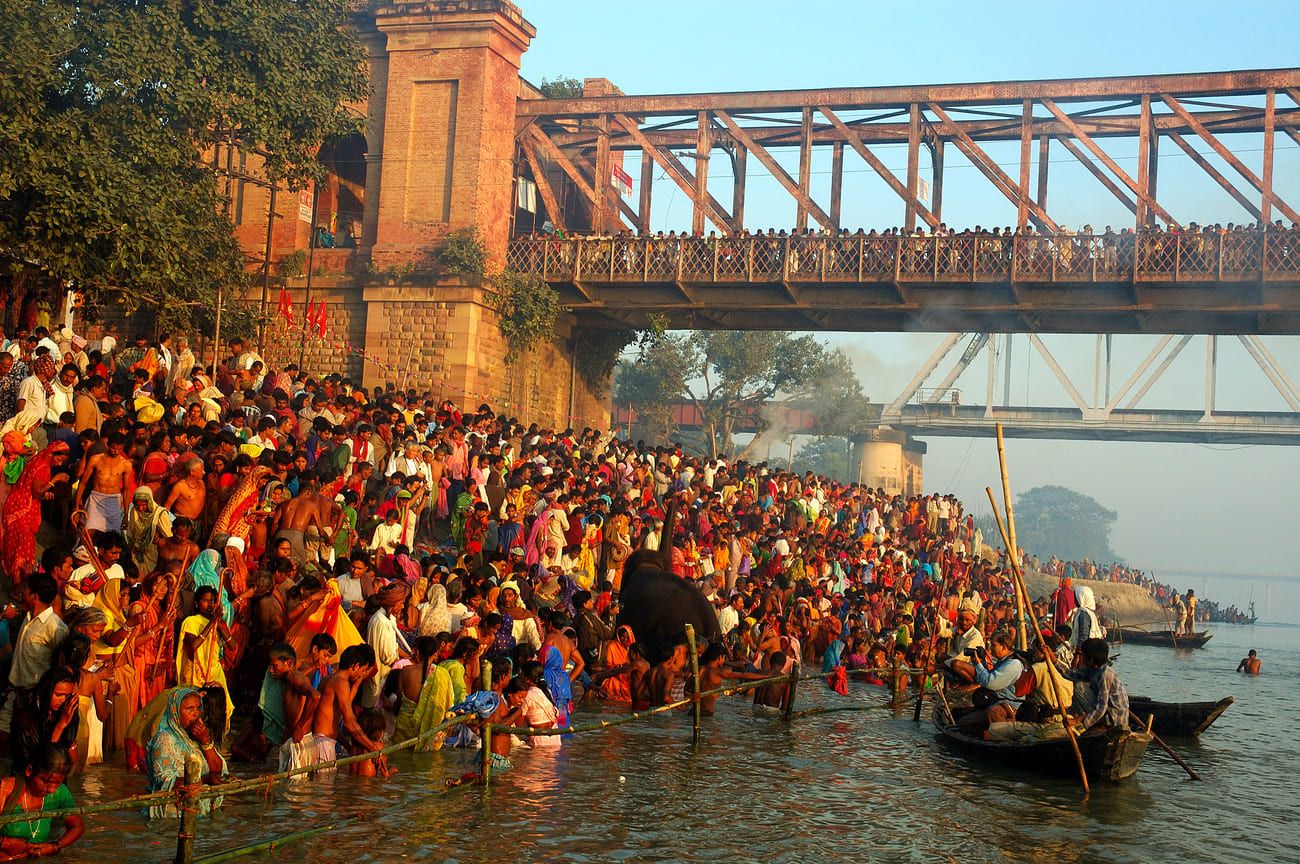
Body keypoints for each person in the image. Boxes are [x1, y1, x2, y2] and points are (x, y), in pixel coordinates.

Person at [144, 688, 226, 819]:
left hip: (199, 813)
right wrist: (204, 779)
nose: (196, 714)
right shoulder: (165, 739)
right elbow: (164, 781)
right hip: (172, 816)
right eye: (189, 709)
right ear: (175, 711)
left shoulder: (197, 737)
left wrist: (206, 742)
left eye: (198, 708)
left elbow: (218, 771)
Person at [0, 744, 85, 859]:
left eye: (58, 783)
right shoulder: (6, 789)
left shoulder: (60, 792)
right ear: (29, 771)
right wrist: (6, 843)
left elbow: (78, 826)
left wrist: (55, 846)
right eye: (45, 781)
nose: (51, 789)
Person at [310, 644, 384, 773]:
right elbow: (349, 722)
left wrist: (348, 747)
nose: (362, 674)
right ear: (355, 666)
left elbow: (331, 723)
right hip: (323, 744)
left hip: (319, 742)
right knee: (324, 791)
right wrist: (373, 748)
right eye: (363, 669)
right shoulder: (341, 682)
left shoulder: (329, 679)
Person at [951, 631, 1025, 735]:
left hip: (1008, 706)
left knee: (993, 712)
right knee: (963, 723)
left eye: (994, 645)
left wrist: (978, 664)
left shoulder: (1014, 664)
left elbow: (990, 682)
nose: (991, 649)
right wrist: (982, 662)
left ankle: (1000, 734)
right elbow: (987, 675)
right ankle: (985, 733)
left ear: (1003, 647)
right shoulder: (1002, 661)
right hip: (995, 702)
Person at [1065, 638, 1129, 732]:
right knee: (1079, 685)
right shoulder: (1094, 670)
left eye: (1083, 655)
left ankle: (1098, 725)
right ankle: (1089, 721)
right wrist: (1054, 661)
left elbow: (1101, 708)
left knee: (1079, 687)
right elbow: (1072, 675)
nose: (1081, 658)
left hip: (1114, 721)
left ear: (1090, 658)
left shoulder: (1105, 675)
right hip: (1106, 713)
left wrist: (1080, 723)